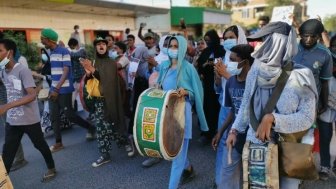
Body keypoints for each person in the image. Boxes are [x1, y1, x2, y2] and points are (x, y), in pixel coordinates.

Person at [226, 22, 317, 189]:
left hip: (287, 151)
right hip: (257, 148)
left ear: (278, 43)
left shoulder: (301, 76)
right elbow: (246, 104)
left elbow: (307, 117)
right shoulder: (255, 71)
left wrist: (273, 118)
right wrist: (235, 130)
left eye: (264, 40)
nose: (258, 46)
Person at [155, 35, 208, 189]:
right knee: (172, 147)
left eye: (176, 46)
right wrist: (157, 87)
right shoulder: (164, 66)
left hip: (181, 114)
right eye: (170, 46)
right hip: (166, 112)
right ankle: (188, 168)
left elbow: (198, 91)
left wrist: (187, 92)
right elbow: (159, 84)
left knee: (177, 154)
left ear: (183, 48)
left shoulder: (188, 68)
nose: (172, 49)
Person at [0, 39, 56, 182]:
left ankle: (51, 167)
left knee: (39, 144)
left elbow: (31, 95)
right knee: (7, 153)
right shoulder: (2, 71)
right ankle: (2, 182)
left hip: (29, 119)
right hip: (13, 120)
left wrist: (7, 106)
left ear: (9, 53)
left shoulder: (22, 70)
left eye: (0, 51)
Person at [40, 28, 96, 152]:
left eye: (42, 38)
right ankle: (58, 143)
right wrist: (53, 89)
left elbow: (66, 71)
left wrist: (57, 89)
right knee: (54, 116)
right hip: (54, 88)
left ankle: (91, 128)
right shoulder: (52, 51)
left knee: (69, 115)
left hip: (63, 89)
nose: (41, 40)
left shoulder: (64, 51)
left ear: (48, 39)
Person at [292, 19, 333, 180]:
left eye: (312, 37)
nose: (308, 40)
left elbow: (324, 80)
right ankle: (290, 166)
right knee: (290, 137)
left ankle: (300, 172)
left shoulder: (324, 54)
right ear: (300, 35)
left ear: (318, 37)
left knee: (306, 138)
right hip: (288, 100)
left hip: (310, 102)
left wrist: (323, 103)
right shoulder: (292, 47)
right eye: (305, 36)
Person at [80, 37, 129, 167]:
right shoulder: (93, 61)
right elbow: (89, 81)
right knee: (102, 127)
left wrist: (92, 70)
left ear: (107, 47)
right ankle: (105, 154)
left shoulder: (111, 63)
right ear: (95, 47)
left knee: (115, 122)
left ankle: (125, 142)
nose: (101, 46)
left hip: (111, 100)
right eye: (98, 44)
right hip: (99, 101)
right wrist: (89, 73)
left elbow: (105, 79)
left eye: (103, 44)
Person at [212, 44, 254, 189]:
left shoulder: (254, 82)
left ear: (245, 62)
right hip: (234, 137)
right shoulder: (231, 81)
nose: (229, 63)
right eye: (229, 59)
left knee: (251, 178)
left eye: (233, 60)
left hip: (252, 138)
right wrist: (220, 131)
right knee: (226, 177)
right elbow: (233, 110)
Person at [196, 29, 225, 144]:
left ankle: (219, 133)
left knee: (218, 108)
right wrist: (206, 64)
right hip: (208, 85)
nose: (208, 42)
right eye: (206, 40)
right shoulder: (206, 51)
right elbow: (200, 66)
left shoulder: (222, 50)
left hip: (220, 84)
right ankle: (207, 133)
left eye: (210, 40)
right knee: (207, 108)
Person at [317, 34, 336, 180]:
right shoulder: (326, 58)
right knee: (325, 136)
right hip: (325, 103)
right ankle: (324, 167)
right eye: (334, 46)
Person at [67, 38, 86, 111]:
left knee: (82, 95)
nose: (70, 48)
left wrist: (67, 51)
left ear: (75, 45)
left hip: (81, 77)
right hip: (74, 78)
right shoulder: (71, 51)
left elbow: (75, 55)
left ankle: (84, 111)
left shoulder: (82, 51)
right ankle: (73, 111)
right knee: (73, 95)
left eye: (71, 46)